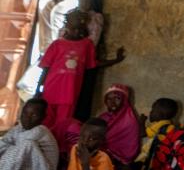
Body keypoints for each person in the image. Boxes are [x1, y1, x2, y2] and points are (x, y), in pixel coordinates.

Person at [38, 10, 124, 151]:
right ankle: (41, 149)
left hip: (70, 93)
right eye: (74, 25)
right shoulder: (57, 44)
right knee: (46, 121)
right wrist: (38, 89)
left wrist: (116, 60)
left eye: (81, 25)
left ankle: (55, 152)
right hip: (51, 90)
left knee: (63, 124)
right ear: (67, 24)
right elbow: (46, 68)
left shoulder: (86, 45)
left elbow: (93, 64)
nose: (78, 29)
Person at [0, 97, 59, 169]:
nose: (27, 118)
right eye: (25, 113)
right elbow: (4, 142)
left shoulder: (41, 130)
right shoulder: (20, 127)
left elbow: (18, 148)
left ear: (43, 117)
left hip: (44, 167)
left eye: (34, 115)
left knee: (28, 144)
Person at [99, 84, 140, 166]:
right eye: (109, 99)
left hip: (118, 162)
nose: (112, 102)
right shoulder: (103, 117)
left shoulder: (129, 121)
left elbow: (129, 151)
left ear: (124, 100)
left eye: (117, 98)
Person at [136, 98, 178, 169]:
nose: (150, 112)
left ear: (162, 115)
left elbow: (142, 134)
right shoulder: (171, 126)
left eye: (153, 110)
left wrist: (142, 121)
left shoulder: (160, 125)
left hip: (151, 157)